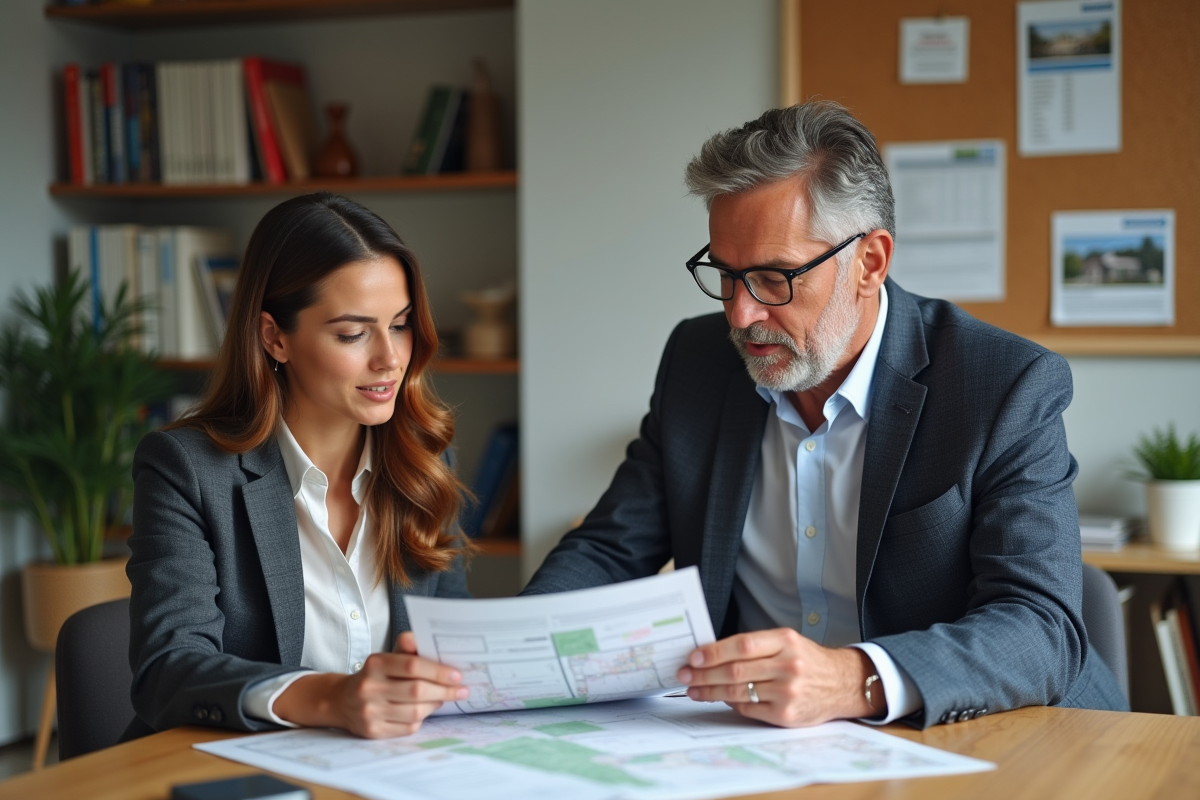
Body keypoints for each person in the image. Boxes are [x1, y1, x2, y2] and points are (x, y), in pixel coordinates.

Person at [523, 101, 1127, 729]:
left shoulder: (1001, 384)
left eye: (775, 278)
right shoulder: (697, 362)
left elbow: (1040, 626)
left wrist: (853, 679)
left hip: (986, 738)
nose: (740, 315)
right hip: (755, 745)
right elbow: (611, 548)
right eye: (725, 276)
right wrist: (503, 656)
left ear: (869, 262)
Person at [126, 193, 471, 740]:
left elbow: (452, 646)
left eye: (400, 324)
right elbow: (167, 670)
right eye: (353, 334)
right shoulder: (187, 470)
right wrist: (331, 696)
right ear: (274, 337)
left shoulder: (423, 462)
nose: (390, 358)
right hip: (229, 769)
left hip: (391, 769)